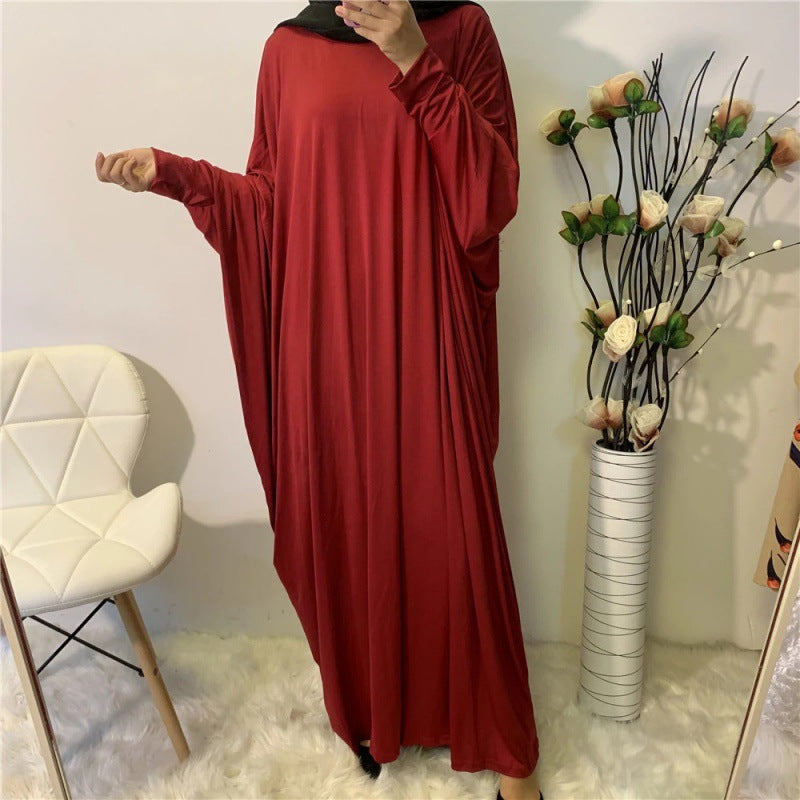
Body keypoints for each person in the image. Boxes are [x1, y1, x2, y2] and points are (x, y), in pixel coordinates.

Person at [95, 2, 543, 798]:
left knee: (452, 530)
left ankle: (507, 750)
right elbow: (273, 203)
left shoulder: (461, 28)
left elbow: (490, 197)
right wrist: (175, 173)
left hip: (427, 326)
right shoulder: (288, 49)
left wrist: (415, 58)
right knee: (345, 518)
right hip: (325, 339)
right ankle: (376, 712)